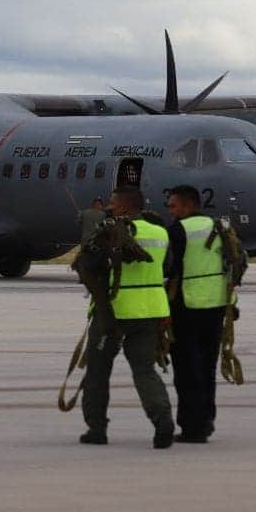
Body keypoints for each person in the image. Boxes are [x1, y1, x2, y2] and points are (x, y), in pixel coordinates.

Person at [78, 185, 175, 449]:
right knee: (145, 370)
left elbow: (88, 265)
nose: (109, 206)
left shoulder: (108, 233)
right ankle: (163, 420)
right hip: (151, 310)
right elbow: (167, 267)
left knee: (98, 371)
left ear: (122, 206)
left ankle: (96, 428)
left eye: (112, 202)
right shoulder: (160, 232)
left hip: (114, 311)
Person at [165, 184, 233, 443]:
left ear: (189, 206)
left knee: (186, 370)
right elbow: (234, 265)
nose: (170, 211)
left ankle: (192, 427)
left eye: (174, 206)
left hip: (187, 307)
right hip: (216, 307)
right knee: (207, 368)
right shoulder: (221, 228)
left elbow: (168, 267)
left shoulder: (178, 230)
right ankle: (206, 421)